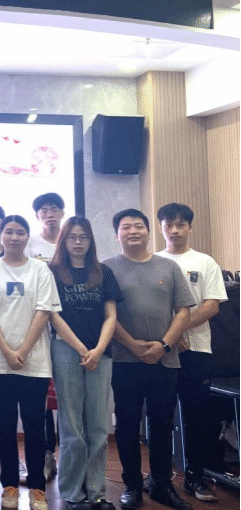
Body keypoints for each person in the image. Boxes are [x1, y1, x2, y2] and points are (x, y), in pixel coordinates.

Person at [0, 215, 61, 510]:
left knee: (35, 426)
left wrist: (23, 350)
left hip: (35, 363)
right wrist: (8, 351)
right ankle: (8, 485)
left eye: (20, 232)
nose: (14, 237)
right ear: (1, 235)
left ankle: (37, 488)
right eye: (9, 232)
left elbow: (44, 311)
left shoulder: (40, 269)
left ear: (27, 236)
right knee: (5, 426)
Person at [104, 209, 195, 510]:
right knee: (127, 425)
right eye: (125, 227)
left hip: (164, 361)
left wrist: (164, 345)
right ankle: (132, 485)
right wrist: (133, 346)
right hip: (123, 360)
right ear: (116, 234)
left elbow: (183, 310)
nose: (133, 231)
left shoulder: (168, 267)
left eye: (139, 226)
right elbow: (107, 315)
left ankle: (161, 485)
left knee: (162, 424)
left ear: (148, 231)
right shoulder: (107, 269)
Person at [154, 203, 227, 503]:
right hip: (162, 352)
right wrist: (170, 338)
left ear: (190, 227)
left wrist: (178, 331)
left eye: (181, 225)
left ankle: (194, 476)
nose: (174, 230)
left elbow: (212, 305)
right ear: (161, 227)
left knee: (197, 417)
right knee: (160, 416)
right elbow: (147, 307)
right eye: (169, 225)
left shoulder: (205, 262)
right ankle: (159, 478)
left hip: (196, 349)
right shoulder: (153, 261)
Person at [48, 217, 121, 510]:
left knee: (99, 425)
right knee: (72, 425)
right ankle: (72, 492)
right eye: (72, 237)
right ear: (63, 240)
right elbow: (53, 315)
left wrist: (98, 349)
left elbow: (111, 316)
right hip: (66, 351)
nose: (78, 242)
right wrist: (81, 349)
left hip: (101, 353)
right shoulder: (52, 272)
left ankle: (96, 491)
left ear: (90, 241)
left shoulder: (103, 272)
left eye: (83, 237)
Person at [25, 192, 66, 482]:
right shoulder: (29, 244)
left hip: (68, 327)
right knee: (40, 398)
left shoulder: (72, 241)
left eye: (54, 209)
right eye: (44, 211)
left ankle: (71, 457)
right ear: (37, 216)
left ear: (62, 212)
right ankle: (46, 456)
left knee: (67, 398)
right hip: (38, 327)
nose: (49, 214)